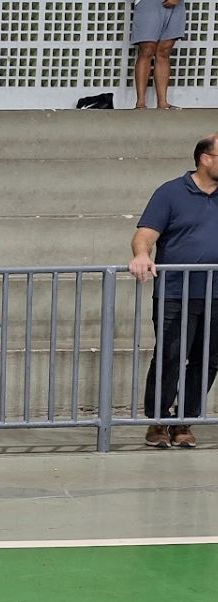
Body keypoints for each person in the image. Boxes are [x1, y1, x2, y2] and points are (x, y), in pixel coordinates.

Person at [128, 133, 218, 448]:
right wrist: (141, 255)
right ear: (205, 158)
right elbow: (145, 234)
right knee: (170, 356)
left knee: (207, 360)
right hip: (177, 292)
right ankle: (159, 421)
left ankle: (184, 422)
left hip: (216, 294)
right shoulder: (170, 193)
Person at [132, 0, 187, 110]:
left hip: (176, 5)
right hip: (148, 4)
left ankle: (163, 103)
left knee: (164, 51)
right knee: (147, 49)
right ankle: (140, 103)